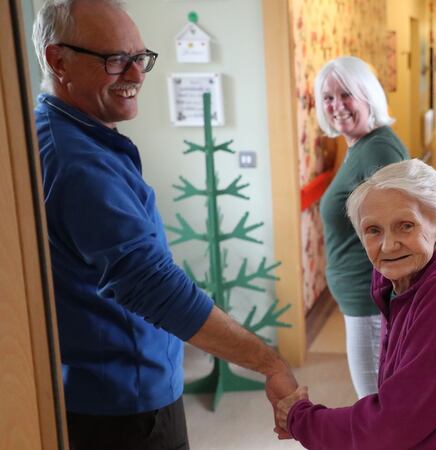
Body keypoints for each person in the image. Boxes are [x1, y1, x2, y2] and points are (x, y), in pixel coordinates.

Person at [31, 1, 296, 448]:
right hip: (125, 406)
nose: (136, 76)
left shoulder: (61, 132)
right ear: (59, 61)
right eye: (116, 60)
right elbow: (153, 286)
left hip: (106, 387)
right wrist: (269, 362)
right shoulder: (77, 162)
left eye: (140, 58)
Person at [276, 159, 436, 449]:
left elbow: (393, 425)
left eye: (405, 226)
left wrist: (300, 419)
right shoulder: (404, 281)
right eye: (373, 230)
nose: (388, 245)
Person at [316, 56, 409, 398]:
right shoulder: (362, 147)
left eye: (346, 95)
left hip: (370, 304)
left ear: (367, 94)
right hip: (362, 301)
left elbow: (402, 233)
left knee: (375, 405)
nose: (336, 106)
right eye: (328, 98)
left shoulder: (378, 151)